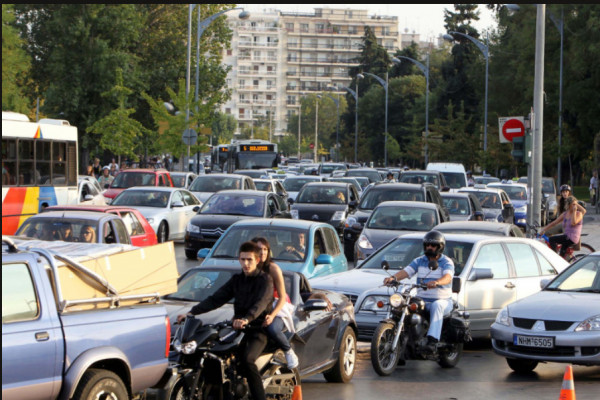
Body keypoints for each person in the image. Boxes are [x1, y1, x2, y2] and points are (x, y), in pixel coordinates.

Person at [177, 241, 274, 400]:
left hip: (258, 329)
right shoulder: (237, 280)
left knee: (247, 360)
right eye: (243, 259)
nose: (246, 263)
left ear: (257, 260)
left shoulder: (265, 280)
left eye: (249, 260)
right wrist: (191, 312)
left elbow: (261, 304)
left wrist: (246, 319)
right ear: (239, 259)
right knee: (213, 353)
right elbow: (216, 298)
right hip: (237, 328)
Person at [383, 230, 454, 353]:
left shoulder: (446, 262)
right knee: (404, 306)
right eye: (427, 245)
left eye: (433, 245)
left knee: (437, 305)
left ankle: (432, 341)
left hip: (443, 301)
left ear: (440, 247)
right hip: (423, 300)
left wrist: (437, 282)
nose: (429, 247)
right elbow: (406, 271)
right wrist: (393, 278)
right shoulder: (419, 260)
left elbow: (448, 277)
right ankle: (404, 341)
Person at [251, 237, 299, 369]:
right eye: (259, 249)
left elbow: (282, 297)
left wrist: (272, 316)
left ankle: (288, 351)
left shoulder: (273, 268)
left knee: (272, 328)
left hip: (278, 305)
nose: (262, 252)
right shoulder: (249, 268)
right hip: (260, 306)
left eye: (265, 249)